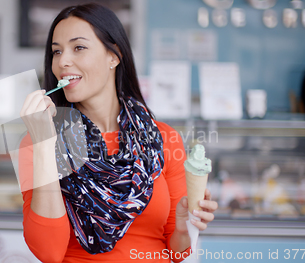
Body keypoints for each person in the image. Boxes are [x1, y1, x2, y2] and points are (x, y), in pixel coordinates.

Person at [18, 3, 218, 262]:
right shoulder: (37, 141)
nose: (63, 61)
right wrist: (45, 144)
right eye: (56, 52)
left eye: (78, 47)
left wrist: (184, 228)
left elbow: (177, 252)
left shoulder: (164, 139)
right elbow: (48, 252)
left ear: (114, 56)